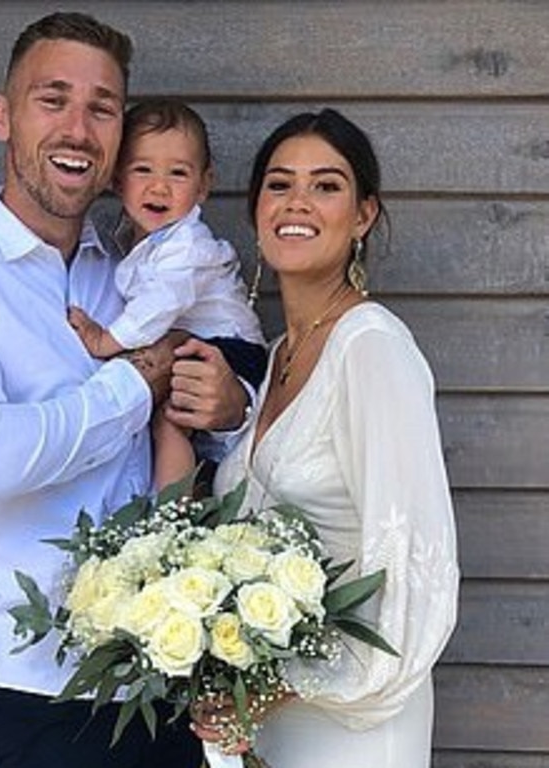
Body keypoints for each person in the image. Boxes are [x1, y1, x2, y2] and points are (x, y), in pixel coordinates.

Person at [0, 12, 250, 768]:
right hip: (43, 691)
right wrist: (132, 383)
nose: (78, 129)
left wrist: (231, 407)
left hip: (180, 673)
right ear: (2, 115)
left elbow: (214, 418)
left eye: (103, 108)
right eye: (53, 100)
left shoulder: (131, 266)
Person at [192, 108, 459, 767]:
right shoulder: (282, 351)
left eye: (326, 185)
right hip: (267, 722)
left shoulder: (372, 349)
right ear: (256, 209)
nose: (298, 202)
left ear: (364, 215)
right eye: (279, 184)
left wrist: (279, 686)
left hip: (356, 724)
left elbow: (411, 572)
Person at [68, 99, 267, 489]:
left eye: (178, 173)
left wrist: (104, 339)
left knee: (170, 418)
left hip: (233, 351)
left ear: (203, 186)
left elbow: (160, 304)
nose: (159, 186)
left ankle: (170, 517)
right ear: (116, 178)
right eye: (143, 170)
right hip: (206, 344)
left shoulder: (187, 245)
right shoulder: (135, 238)